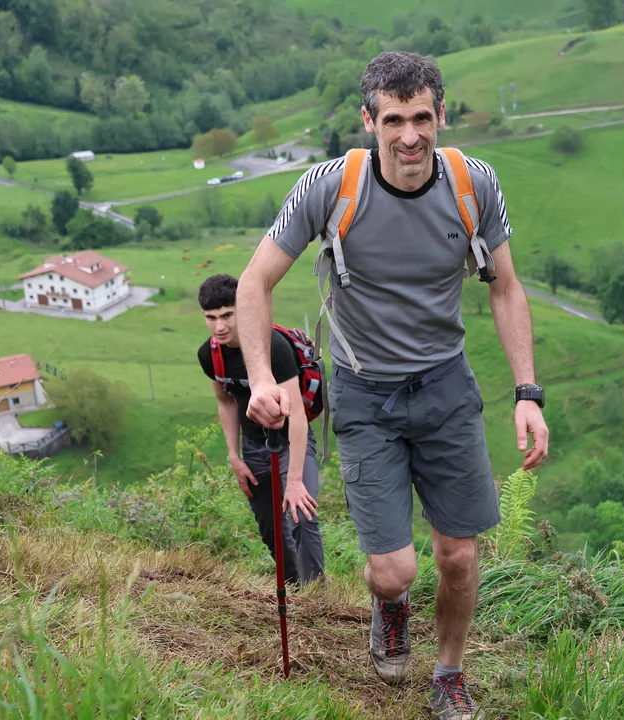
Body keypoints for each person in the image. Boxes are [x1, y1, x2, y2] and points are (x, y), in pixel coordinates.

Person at [236, 51, 548, 720]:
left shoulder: (473, 183)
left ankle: (449, 673)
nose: (410, 136)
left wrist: (528, 393)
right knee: (394, 570)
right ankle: (392, 605)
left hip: (446, 387)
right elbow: (254, 282)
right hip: (365, 394)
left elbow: (506, 289)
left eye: (422, 118)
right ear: (368, 120)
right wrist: (260, 377)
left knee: (458, 556)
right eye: (394, 121)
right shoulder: (330, 187)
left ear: (442, 115)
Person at [195, 273, 325, 587]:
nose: (219, 326)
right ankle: (293, 590)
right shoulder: (210, 355)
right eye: (211, 318)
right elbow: (226, 402)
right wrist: (234, 456)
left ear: (242, 309)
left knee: (301, 516)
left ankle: (316, 596)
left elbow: (296, 414)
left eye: (227, 315)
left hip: (291, 442)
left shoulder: (273, 347)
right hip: (253, 447)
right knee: (271, 529)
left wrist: (295, 480)